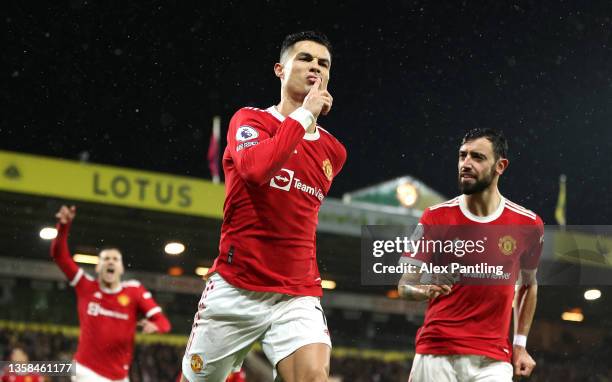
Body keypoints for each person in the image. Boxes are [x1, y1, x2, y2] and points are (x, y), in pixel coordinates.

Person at [181, 30, 346, 382]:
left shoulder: (334, 151)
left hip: (296, 293)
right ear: (280, 70)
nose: (315, 67)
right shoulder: (250, 121)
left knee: (313, 378)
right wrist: (304, 116)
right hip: (236, 287)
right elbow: (257, 172)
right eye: (304, 58)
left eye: (324, 63)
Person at [397, 129, 543, 382]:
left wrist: (519, 344)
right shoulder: (435, 217)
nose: (466, 164)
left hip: (494, 359)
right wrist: (424, 287)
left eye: (477, 157)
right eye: (462, 156)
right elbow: (405, 285)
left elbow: (528, 285)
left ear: (500, 166)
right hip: (437, 352)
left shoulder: (528, 224)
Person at [51, 205, 171, 382]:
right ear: (98, 267)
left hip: (120, 376)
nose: (111, 262)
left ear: (121, 268)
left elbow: (164, 323)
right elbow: (60, 256)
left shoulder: (134, 291)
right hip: (86, 371)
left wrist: (156, 327)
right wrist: (63, 227)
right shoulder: (85, 285)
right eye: (106, 258)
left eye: (115, 259)